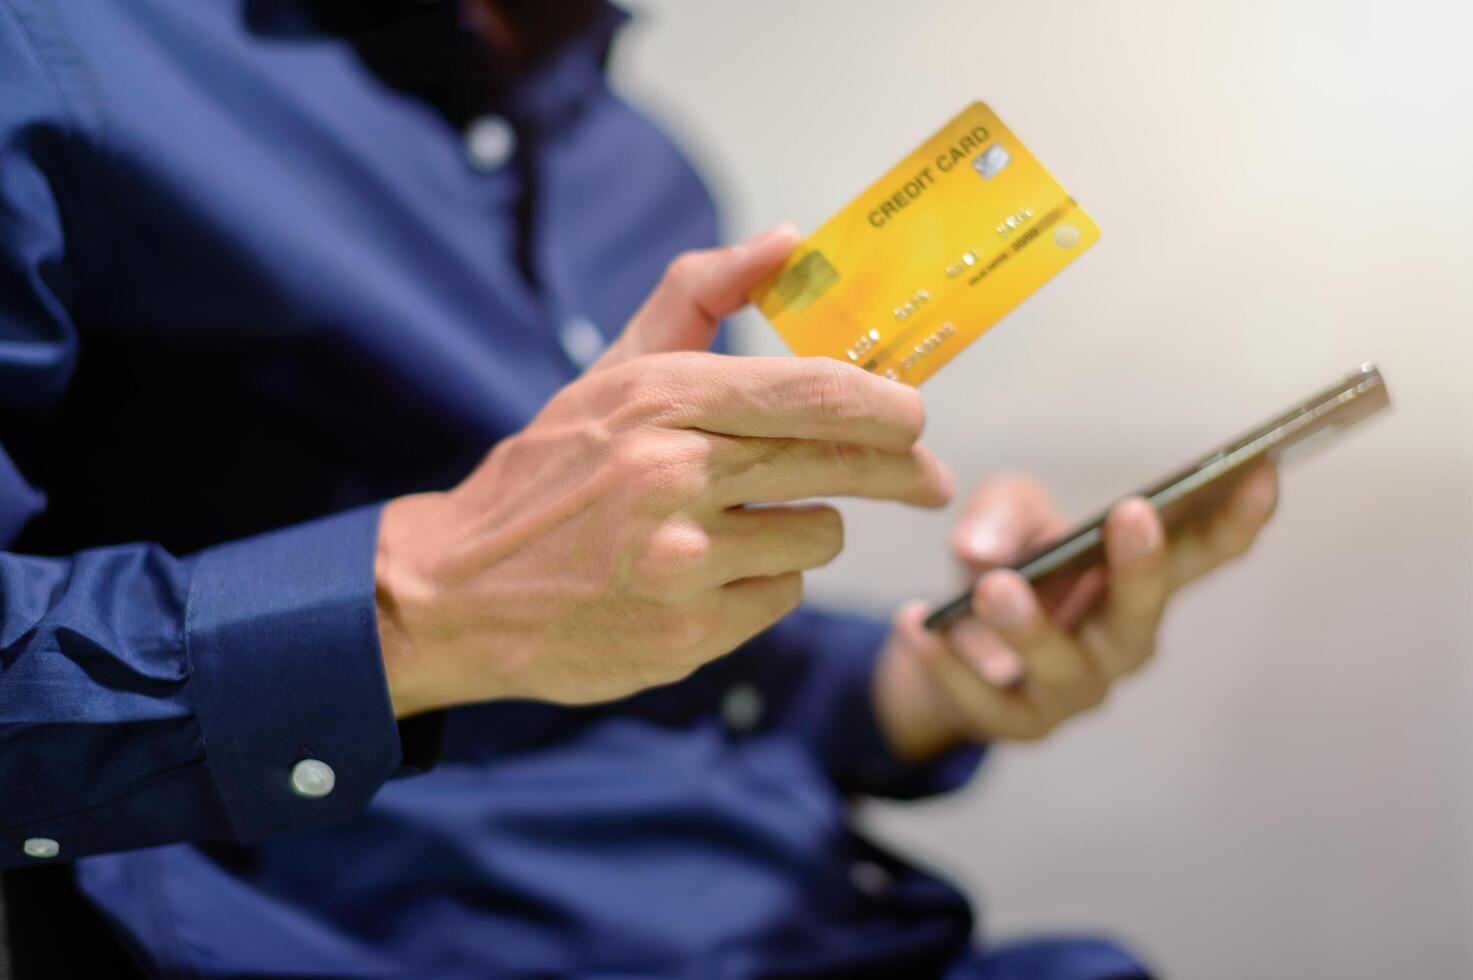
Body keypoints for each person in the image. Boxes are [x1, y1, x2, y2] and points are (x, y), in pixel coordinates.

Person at [0, 2, 1277, 976]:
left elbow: (664, 641)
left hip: (830, 923)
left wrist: (930, 679)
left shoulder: (646, 171)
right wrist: (419, 603)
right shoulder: (61, 53)